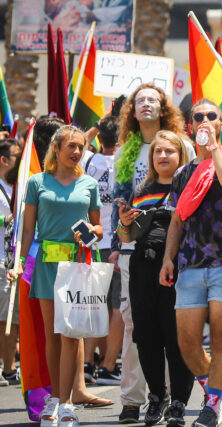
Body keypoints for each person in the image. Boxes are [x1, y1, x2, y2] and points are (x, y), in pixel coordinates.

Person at [159, 98, 222, 427]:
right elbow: (176, 221)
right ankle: (216, 386)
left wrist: (213, 151)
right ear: (190, 126)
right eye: (199, 117)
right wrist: (168, 258)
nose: (206, 120)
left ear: (221, 125)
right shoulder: (183, 173)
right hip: (190, 265)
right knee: (187, 342)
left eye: (212, 117)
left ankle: (212, 404)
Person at [9, 126, 103, 427]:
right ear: (57, 147)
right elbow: (27, 229)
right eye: (71, 146)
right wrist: (20, 261)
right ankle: (54, 397)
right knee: (52, 336)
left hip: (77, 264)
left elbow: (99, 229)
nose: (76, 151)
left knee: (72, 335)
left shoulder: (89, 183)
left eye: (80, 146)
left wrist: (90, 233)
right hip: (47, 266)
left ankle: (67, 402)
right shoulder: (37, 182)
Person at [113, 83, 194, 424]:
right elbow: (124, 224)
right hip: (138, 261)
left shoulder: (187, 173)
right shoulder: (130, 163)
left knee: (175, 335)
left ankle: (178, 401)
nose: (162, 156)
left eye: (168, 153)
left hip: (179, 267)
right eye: (139, 100)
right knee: (142, 332)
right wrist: (122, 231)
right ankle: (148, 399)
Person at [83, 116, 123, 386]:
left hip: (93, 240)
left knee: (94, 304)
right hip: (118, 242)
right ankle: (108, 365)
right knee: (117, 307)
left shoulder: (87, 160)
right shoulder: (127, 162)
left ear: (100, 138)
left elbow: (82, 140)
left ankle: (87, 363)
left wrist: (101, 122)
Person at [0, 138, 20, 386]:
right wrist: (8, 219)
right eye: (17, 155)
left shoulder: (16, 185)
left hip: (10, 260)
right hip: (1, 260)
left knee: (10, 317)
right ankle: (8, 368)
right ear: (4, 160)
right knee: (4, 318)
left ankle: (9, 367)